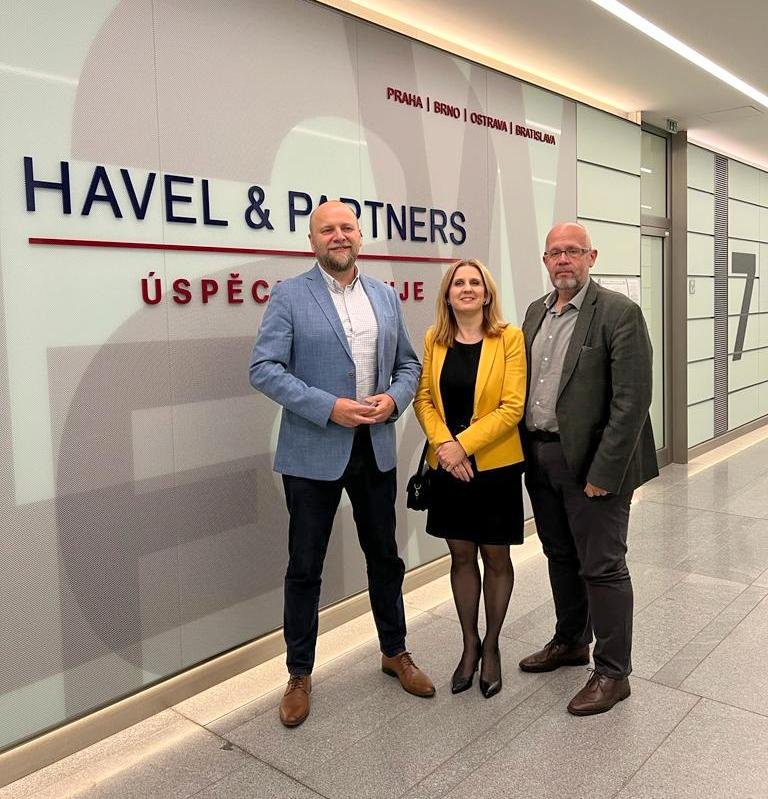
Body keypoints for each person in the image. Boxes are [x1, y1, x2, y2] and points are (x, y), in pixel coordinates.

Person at [249, 200, 434, 728]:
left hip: (374, 448)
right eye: (326, 229)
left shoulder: (384, 295)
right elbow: (263, 369)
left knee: (385, 558)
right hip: (312, 454)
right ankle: (299, 673)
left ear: (360, 236)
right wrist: (328, 407)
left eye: (346, 227)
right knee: (305, 566)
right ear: (311, 241)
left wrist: (394, 400)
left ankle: (395, 651)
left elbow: (408, 365)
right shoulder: (289, 296)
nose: (338, 236)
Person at [518, 221, 658, 715]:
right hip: (541, 457)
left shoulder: (619, 313)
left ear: (591, 257)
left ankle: (614, 673)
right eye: (555, 252)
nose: (563, 260)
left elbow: (632, 401)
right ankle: (572, 640)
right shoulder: (535, 312)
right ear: (545, 260)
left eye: (573, 251)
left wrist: (605, 472)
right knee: (559, 554)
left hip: (593, 466)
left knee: (602, 566)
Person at [413, 259, 526, 699]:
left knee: (496, 558)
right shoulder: (434, 338)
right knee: (460, 557)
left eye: (474, 282)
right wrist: (446, 446)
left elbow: (512, 406)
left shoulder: (508, 338)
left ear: (487, 292)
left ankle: (492, 646)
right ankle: (469, 645)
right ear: (447, 294)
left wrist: (464, 445)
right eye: (458, 282)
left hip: (494, 467)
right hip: (448, 469)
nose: (466, 288)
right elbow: (424, 399)